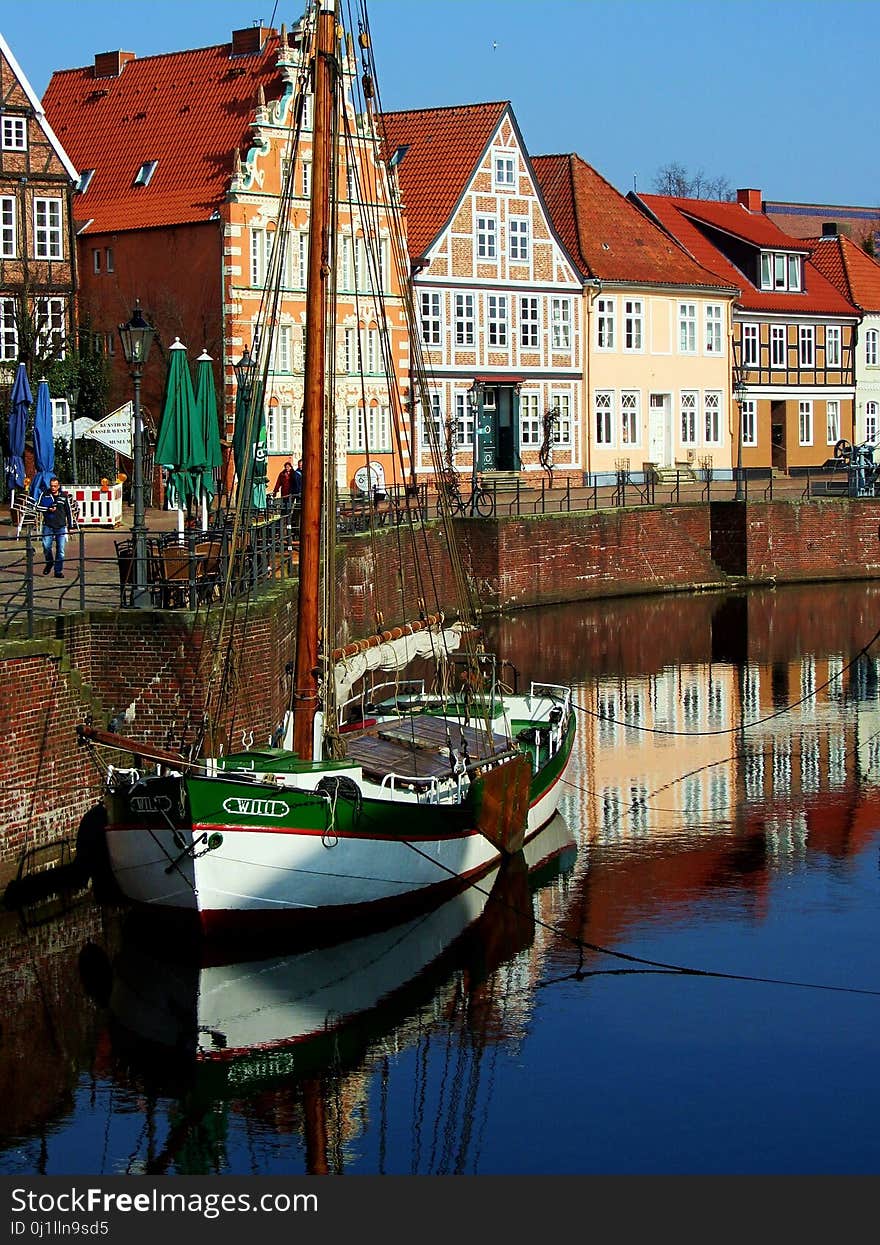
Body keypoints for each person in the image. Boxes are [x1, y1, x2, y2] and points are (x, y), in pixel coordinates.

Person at [37, 476, 74, 578]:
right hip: (48, 525)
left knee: (60, 549)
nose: (53, 488)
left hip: (60, 526)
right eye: (52, 486)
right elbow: (37, 507)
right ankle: (49, 562)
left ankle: (58, 571)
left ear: (58, 486)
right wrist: (48, 509)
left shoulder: (63, 496)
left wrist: (71, 525)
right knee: (46, 546)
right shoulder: (45, 494)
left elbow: (68, 511)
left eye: (55, 486)